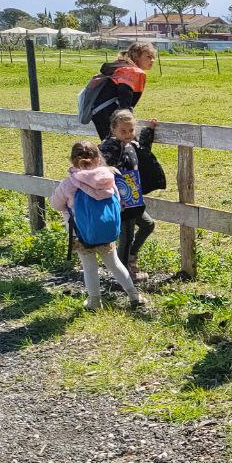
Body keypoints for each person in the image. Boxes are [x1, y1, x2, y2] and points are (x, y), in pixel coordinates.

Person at [49, 141, 142, 310]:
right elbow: (118, 201)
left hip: (82, 233)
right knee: (114, 264)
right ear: (98, 159)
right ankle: (133, 294)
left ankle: (95, 301)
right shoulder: (108, 179)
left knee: (90, 267)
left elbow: (55, 204)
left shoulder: (69, 184)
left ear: (72, 160)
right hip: (106, 231)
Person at [100, 108, 158, 281]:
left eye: (131, 130)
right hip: (121, 200)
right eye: (123, 131)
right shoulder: (111, 145)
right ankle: (125, 276)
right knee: (126, 235)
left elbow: (144, 148)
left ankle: (130, 258)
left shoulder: (132, 144)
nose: (127, 134)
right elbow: (99, 161)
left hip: (133, 198)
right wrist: (106, 168)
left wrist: (150, 130)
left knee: (148, 225)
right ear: (113, 129)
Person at [91, 42, 155, 140]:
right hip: (110, 116)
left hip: (99, 112)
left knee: (111, 148)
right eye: (148, 57)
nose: (152, 60)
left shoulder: (122, 67)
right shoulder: (133, 71)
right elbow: (125, 97)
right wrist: (127, 120)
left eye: (153, 57)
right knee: (121, 148)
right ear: (136, 56)